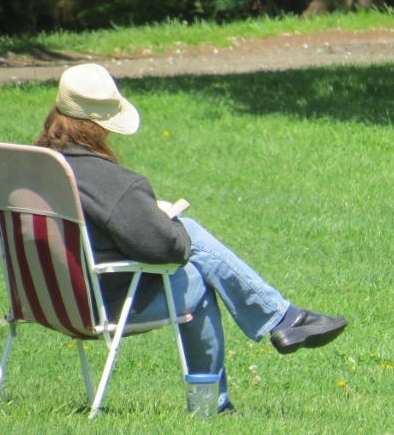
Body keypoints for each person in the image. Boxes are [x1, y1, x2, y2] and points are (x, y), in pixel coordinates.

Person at [34, 63, 347, 414]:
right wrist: (170, 224)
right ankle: (218, 399)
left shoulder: (34, 166)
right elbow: (166, 249)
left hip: (43, 299)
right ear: (99, 126)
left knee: (192, 254)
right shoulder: (109, 181)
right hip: (100, 304)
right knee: (194, 266)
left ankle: (282, 320)